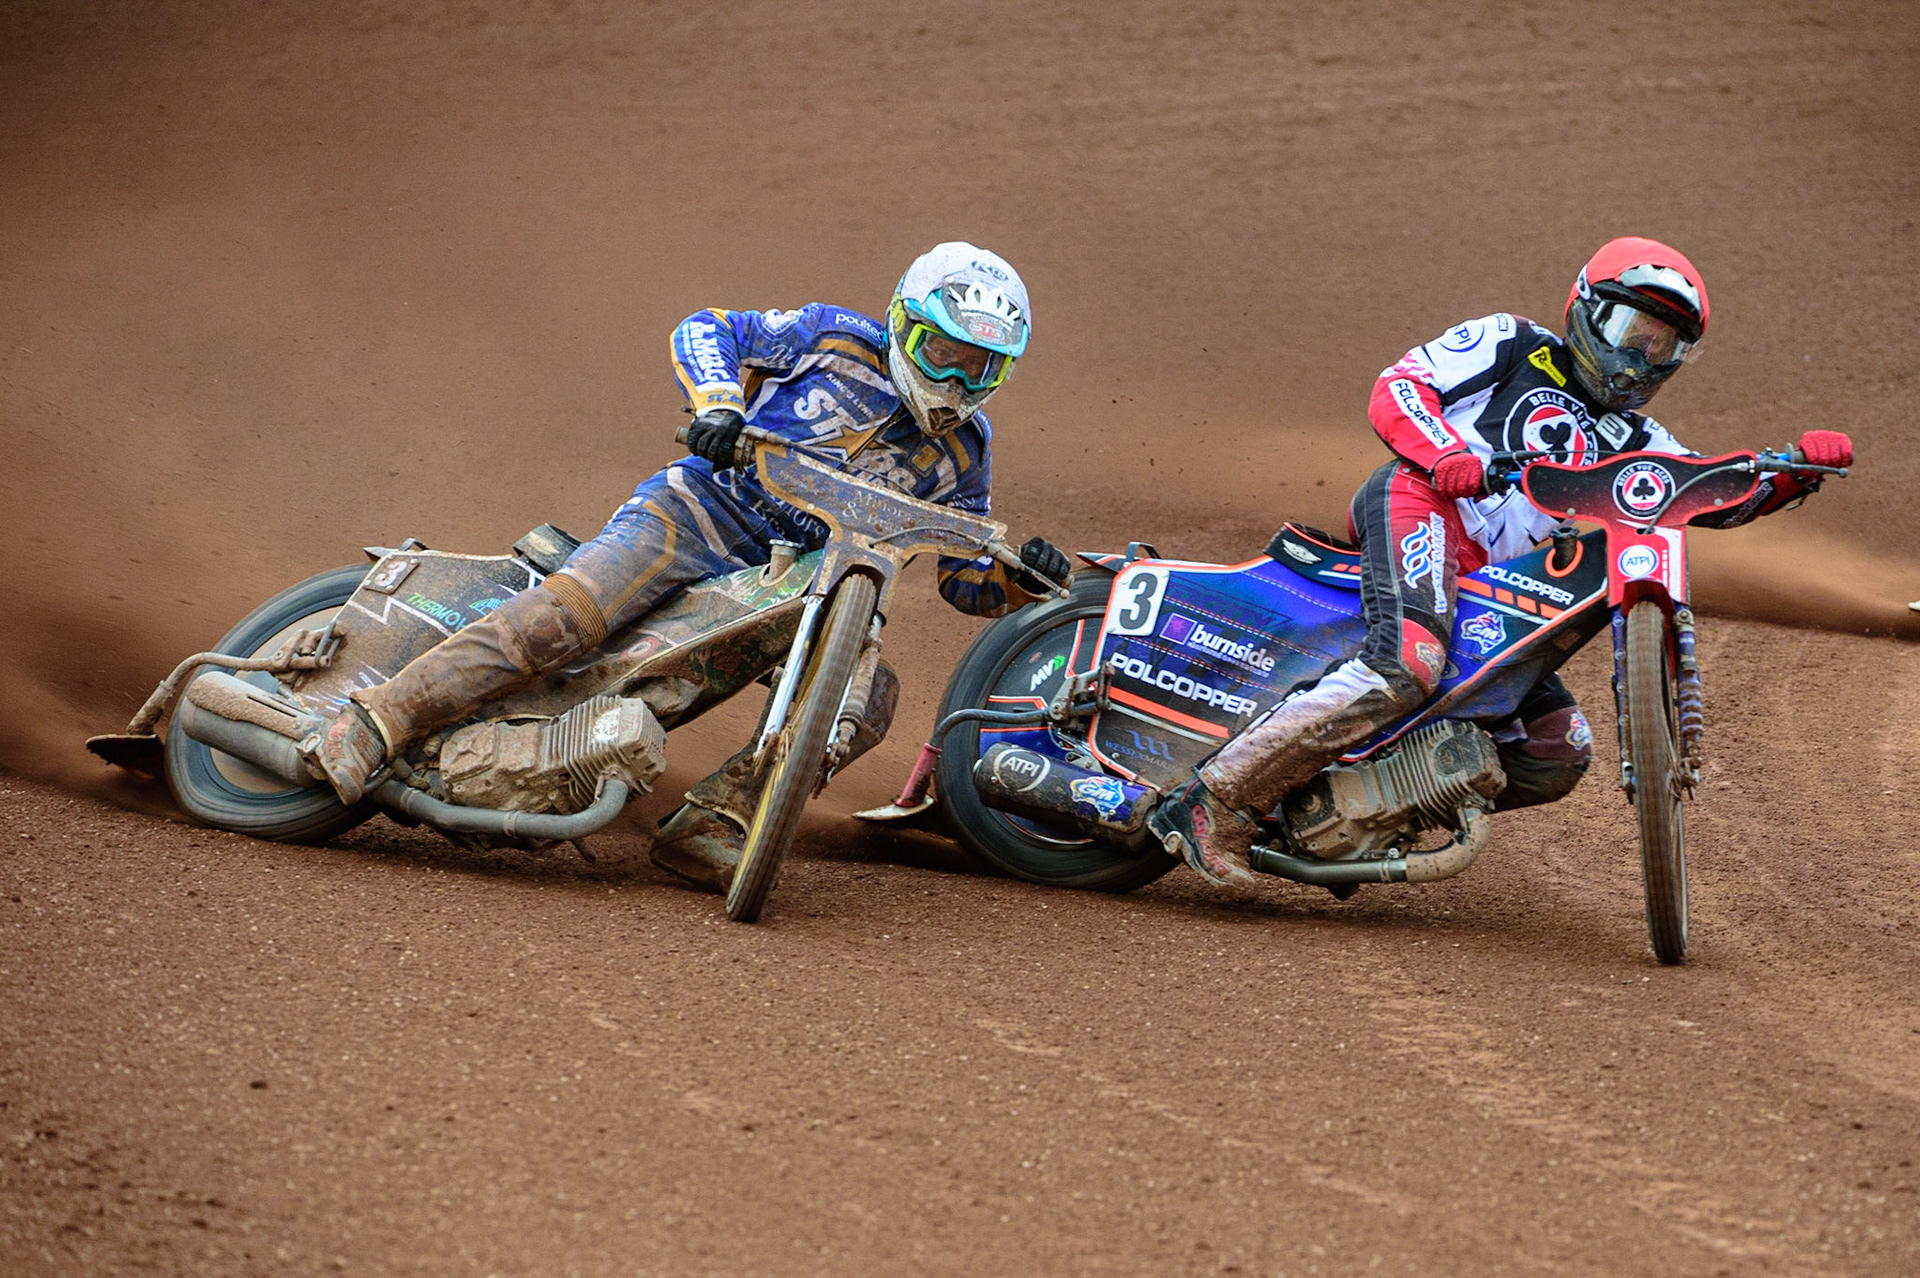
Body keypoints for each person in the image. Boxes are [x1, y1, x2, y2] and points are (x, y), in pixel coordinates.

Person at [308, 242, 1071, 889]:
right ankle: (379, 721)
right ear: (906, 325)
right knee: (566, 618)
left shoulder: (967, 451)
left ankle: (721, 819)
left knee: (867, 702)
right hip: (701, 512)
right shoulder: (832, 340)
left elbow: (962, 574)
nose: (960, 381)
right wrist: (717, 407)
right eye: (947, 354)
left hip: (805, 582)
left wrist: (1015, 579)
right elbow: (708, 328)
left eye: (984, 366)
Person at [1148, 236, 1854, 888]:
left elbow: (1704, 497)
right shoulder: (1512, 342)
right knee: (1409, 664)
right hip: (1424, 504)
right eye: (1629, 333)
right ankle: (1211, 802)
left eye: (1661, 345)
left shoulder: (1645, 439)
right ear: (1586, 309)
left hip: (1498, 588)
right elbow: (1399, 386)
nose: (1639, 357)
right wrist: (1446, 455)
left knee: (1557, 751)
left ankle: (1347, 813)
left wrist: (1792, 475)